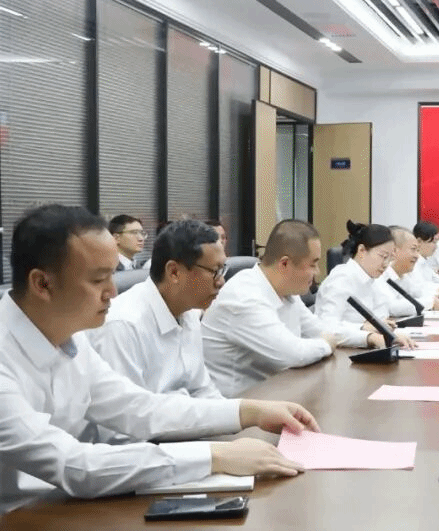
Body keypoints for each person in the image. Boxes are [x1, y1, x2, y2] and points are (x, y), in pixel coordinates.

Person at [0, 205, 316, 513]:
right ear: (43, 284)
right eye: (98, 280)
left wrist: (248, 411)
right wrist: (214, 456)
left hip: (64, 505)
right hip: (22, 516)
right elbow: (74, 465)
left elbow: (139, 407)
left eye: (112, 276)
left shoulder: (70, 338)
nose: (113, 291)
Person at [202, 220, 374, 397]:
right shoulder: (244, 296)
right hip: (239, 405)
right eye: (313, 264)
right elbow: (293, 354)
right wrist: (325, 344)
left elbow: (322, 330)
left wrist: (369, 338)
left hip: (277, 394)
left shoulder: (286, 292)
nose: (317, 272)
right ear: (284, 264)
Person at [88, 220, 226, 400]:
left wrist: (237, 413)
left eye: (223, 270)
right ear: (174, 272)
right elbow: (128, 413)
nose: (221, 282)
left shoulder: (188, 313)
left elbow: (202, 389)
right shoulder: (124, 325)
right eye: (215, 271)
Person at [313, 221, 416, 347]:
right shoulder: (341, 279)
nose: (385, 264)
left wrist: (385, 330)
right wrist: (367, 334)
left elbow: (381, 315)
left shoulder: (373, 279)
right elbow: (327, 328)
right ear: (362, 250)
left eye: (389, 259)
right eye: (383, 256)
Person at [380, 226, 439, 315]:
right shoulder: (382, 275)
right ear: (394, 251)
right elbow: (392, 308)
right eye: (413, 249)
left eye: (417, 250)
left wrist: (435, 298)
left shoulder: (404, 275)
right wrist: (431, 302)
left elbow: (419, 292)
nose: (417, 255)